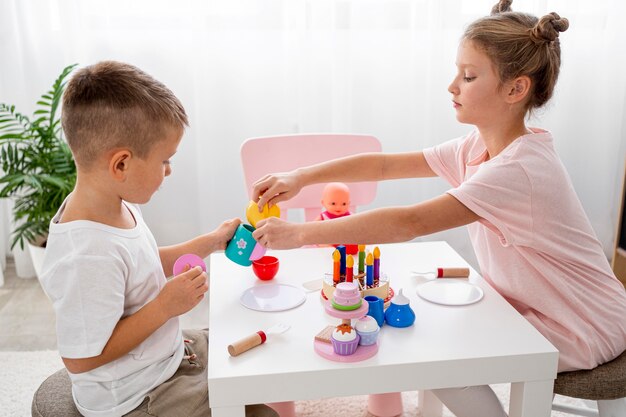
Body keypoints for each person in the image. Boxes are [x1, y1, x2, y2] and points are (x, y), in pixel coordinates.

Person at [251, 1, 626, 416]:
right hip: (550, 306)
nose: (452, 86)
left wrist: (299, 235)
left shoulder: (518, 170)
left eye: (468, 76)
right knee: (428, 326)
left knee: (435, 353)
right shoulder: (477, 146)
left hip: (580, 323)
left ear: (515, 89)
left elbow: (409, 222)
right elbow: (384, 164)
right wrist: (300, 176)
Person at [40, 61, 278, 417]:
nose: (169, 170)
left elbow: (145, 261)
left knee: (251, 359)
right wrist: (165, 307)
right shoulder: (85, 254)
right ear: (120, 164)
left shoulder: (113, 204)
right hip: (137, 395)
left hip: (161, 358)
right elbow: (81, 358)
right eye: (165, 160)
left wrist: (211, 242)